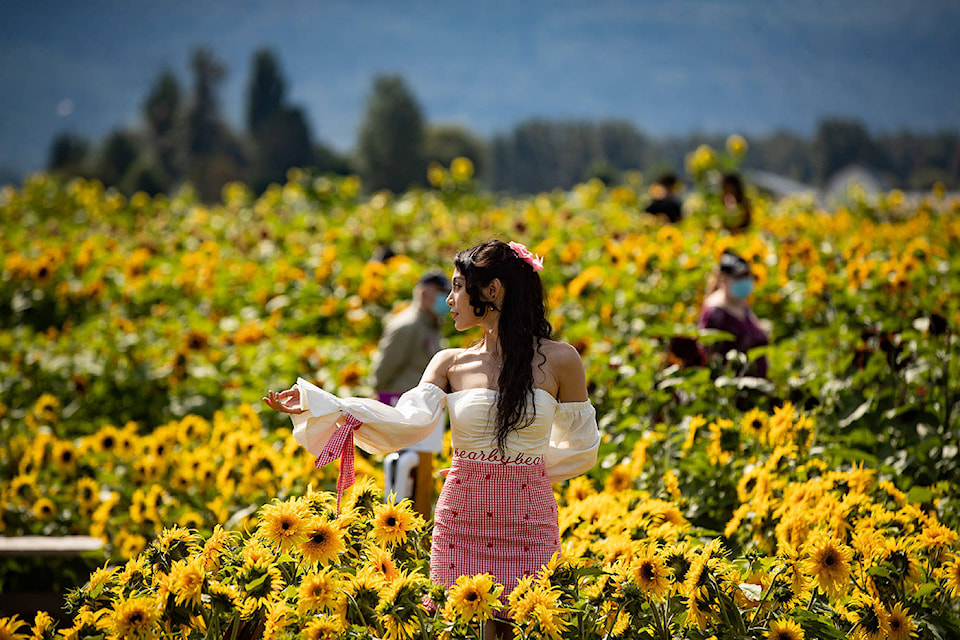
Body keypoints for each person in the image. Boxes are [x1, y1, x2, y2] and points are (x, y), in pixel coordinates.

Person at [264, 239, 600, 638]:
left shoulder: (562, 360)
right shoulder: (450, 362)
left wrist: (521, 467)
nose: (449, 300)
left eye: (458, 287)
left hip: (529, 525)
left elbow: (582, 447)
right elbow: (405, 422)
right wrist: (321, 403)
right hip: (461, 524)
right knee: (456, 629)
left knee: (527, 628)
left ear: (492, 291)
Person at [370, 271, 451, 516]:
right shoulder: (407, 326)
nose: (446, 301)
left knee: (420, 481)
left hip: (422, 416)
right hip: (403, 412)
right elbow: (382, 373)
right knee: (402, 478)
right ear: (424, 293)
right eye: (441, 294)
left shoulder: (430, 325)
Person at [698, 250, 769, 378]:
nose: (745, 281)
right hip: (733, 386)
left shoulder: (741, 303)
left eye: (747, 276)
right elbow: (708, 355)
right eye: (739, 277)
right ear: (724, 279)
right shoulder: (715, 312)